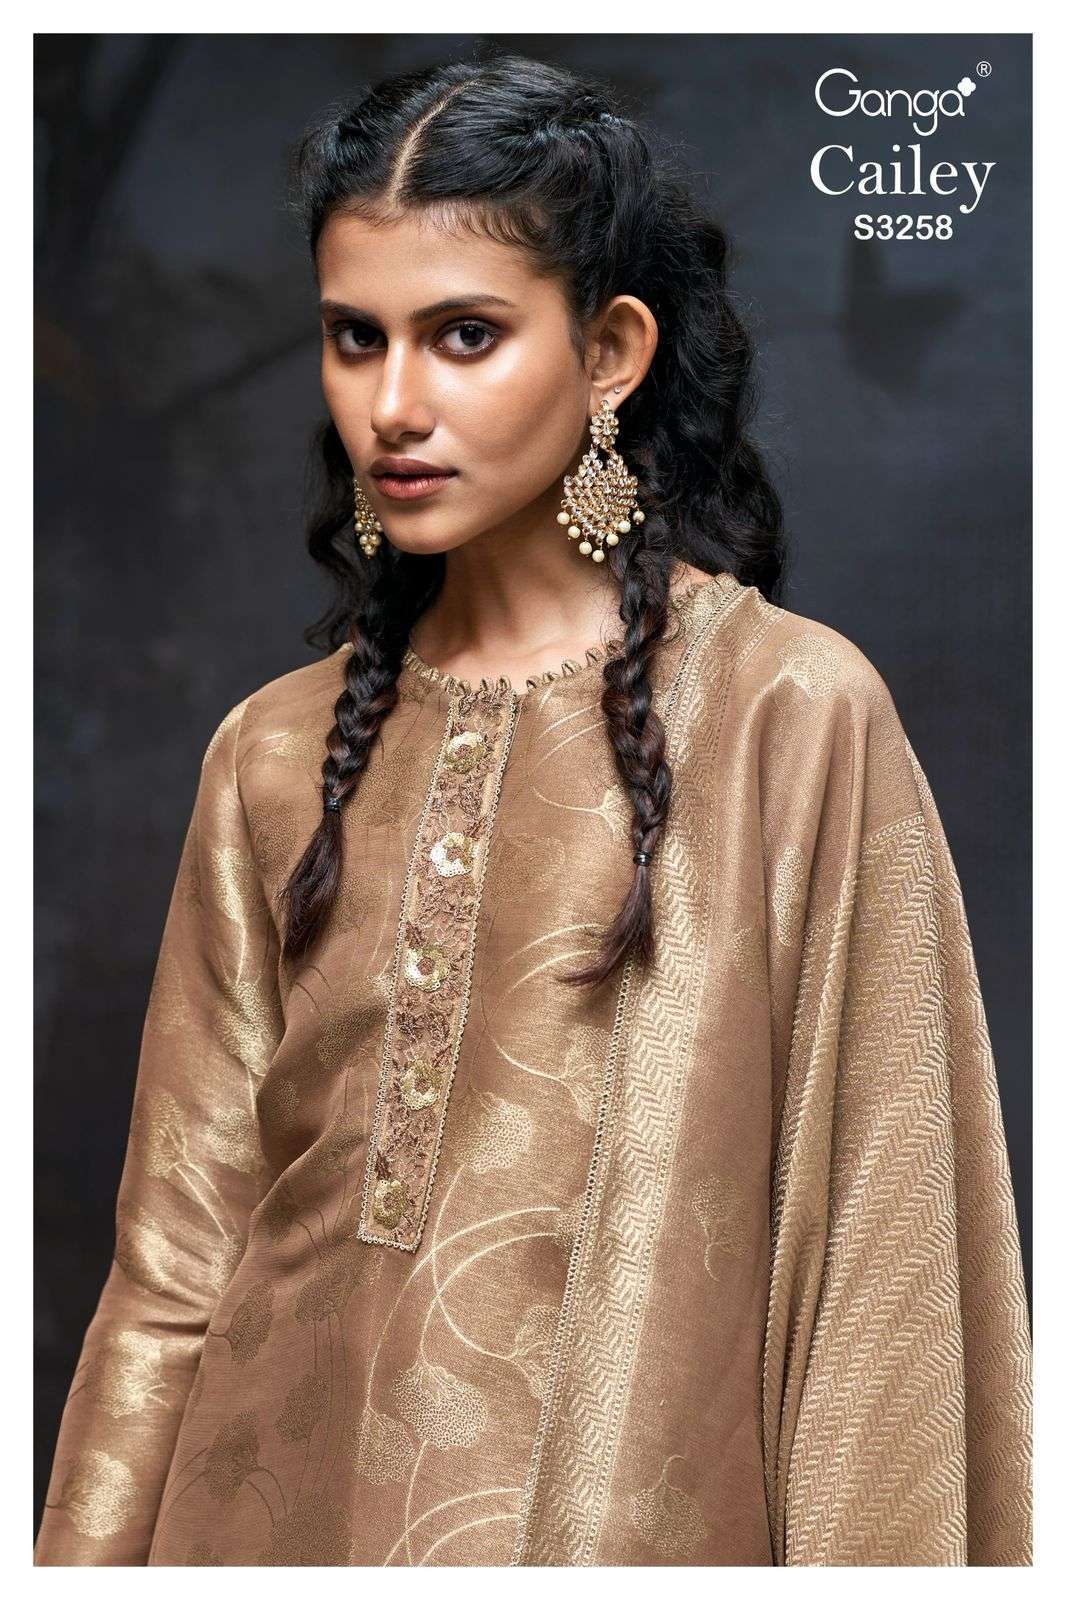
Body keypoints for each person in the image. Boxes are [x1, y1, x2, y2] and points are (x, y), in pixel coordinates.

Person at [34, 53, 1031, 1567]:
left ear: (610, 350)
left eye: (465, 336)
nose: (393, 405)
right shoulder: (272, 754)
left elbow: (884, 1255)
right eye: (354, 338)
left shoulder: (787, 714)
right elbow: (173, 1268)